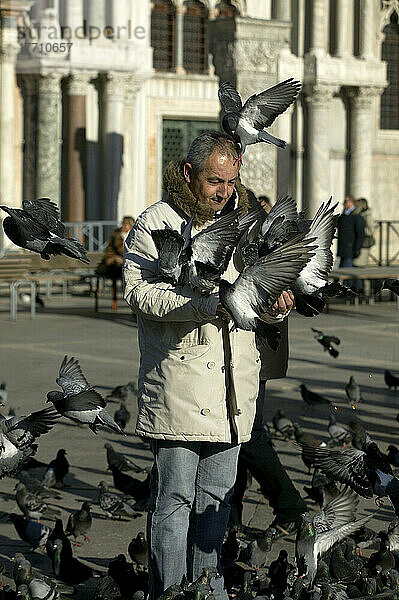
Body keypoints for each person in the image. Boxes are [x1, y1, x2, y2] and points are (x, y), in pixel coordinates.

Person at [122, 132, 293, 600]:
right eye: (214, 181)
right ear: (186, 174)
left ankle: (208, 591)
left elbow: (256, 297)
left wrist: (275, 304)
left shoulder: (247, 226)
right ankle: (170, 592)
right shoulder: (154, 223)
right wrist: (201, 305)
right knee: (173, 500)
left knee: (216, 503)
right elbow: (138, 293)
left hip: (235, 388)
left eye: (231, 182)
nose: (224, 191)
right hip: (180, 385)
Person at [229, 318, 307, 535]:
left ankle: (290, 508)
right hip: (247, 337)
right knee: (234, 433)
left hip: (252, 339)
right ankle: (229, 517)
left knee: (248, 434)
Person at [97, 216, 135, 309]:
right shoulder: (117, 234)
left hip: (128, 263)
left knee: (132, 276)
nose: (123, 226)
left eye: (126, 224)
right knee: (122, 273)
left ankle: (133, 302)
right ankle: (125, 298)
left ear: (130, 225)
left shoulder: (135, 234)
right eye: (123, 223)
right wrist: (116, 258)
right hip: (114, 264)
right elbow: (113, 251)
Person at [336, 194, 365, 268]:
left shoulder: (356, 216)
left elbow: (360, 234)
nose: (343, 203)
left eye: (346, 201)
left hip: (350, 250)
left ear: (352, 202)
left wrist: (357, 249)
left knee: (347, 272)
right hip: (342, 249)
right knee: (342, 271)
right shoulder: (343, 216)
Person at [353, 197, 375, 267]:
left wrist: (360, 229)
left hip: (364, 242)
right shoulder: (359, 214)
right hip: (359, 241)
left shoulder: (367, 215)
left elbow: (371, 231)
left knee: (359, 264)